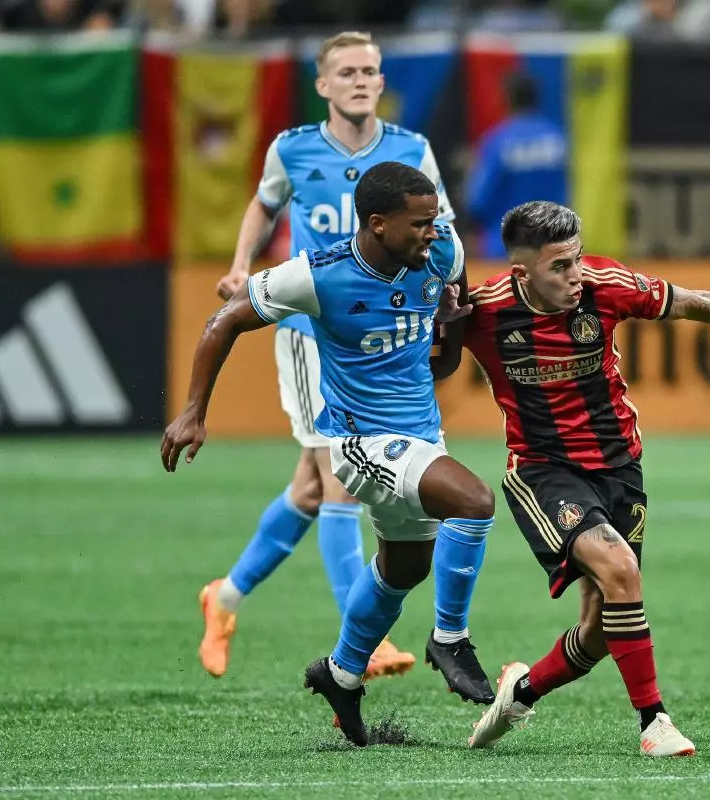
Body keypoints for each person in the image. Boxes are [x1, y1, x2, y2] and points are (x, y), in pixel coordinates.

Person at [442, 201, 710, 756]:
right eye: (559, 267)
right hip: (543, 469)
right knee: (621, 570)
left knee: (598, 626)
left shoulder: (605, 283)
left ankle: (521, 692)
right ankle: (654, 723)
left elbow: (690, 301)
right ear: (522, 273)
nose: (576, 275)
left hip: (620, 465)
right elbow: (425, 360)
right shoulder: (484, 309)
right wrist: (435, 327)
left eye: (576, 258)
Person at [200, 31, 493, 705]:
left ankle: (228, 593)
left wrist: (447, 306)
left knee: (311, 485)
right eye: (348, 72)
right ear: (324, 84)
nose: (362, 81)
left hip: (387, 329)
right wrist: (243, 265)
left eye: (371, 70)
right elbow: (264, 203)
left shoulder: (410, 151)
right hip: (312, 326)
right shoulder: (293, 147)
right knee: (334, 480)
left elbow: (442, 235)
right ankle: (363, 646)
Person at [162, 162, 497, 746]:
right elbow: (224, 320)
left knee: (406, 567)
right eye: (419, 223)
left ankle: (341, 674)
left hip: (420, 434)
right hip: (358, 441)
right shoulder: (317, 276)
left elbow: (440, 364)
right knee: (474, 501)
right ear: (377, 223)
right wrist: (194, 409)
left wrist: (451, 329)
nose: (432, 231)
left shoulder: (442, 253)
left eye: (434, 221)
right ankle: (450, 637)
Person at [464, 71, 568, 259]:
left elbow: (478, 199)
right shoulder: (557, 138)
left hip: (504, 248)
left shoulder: (499, 140)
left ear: (508, 99)